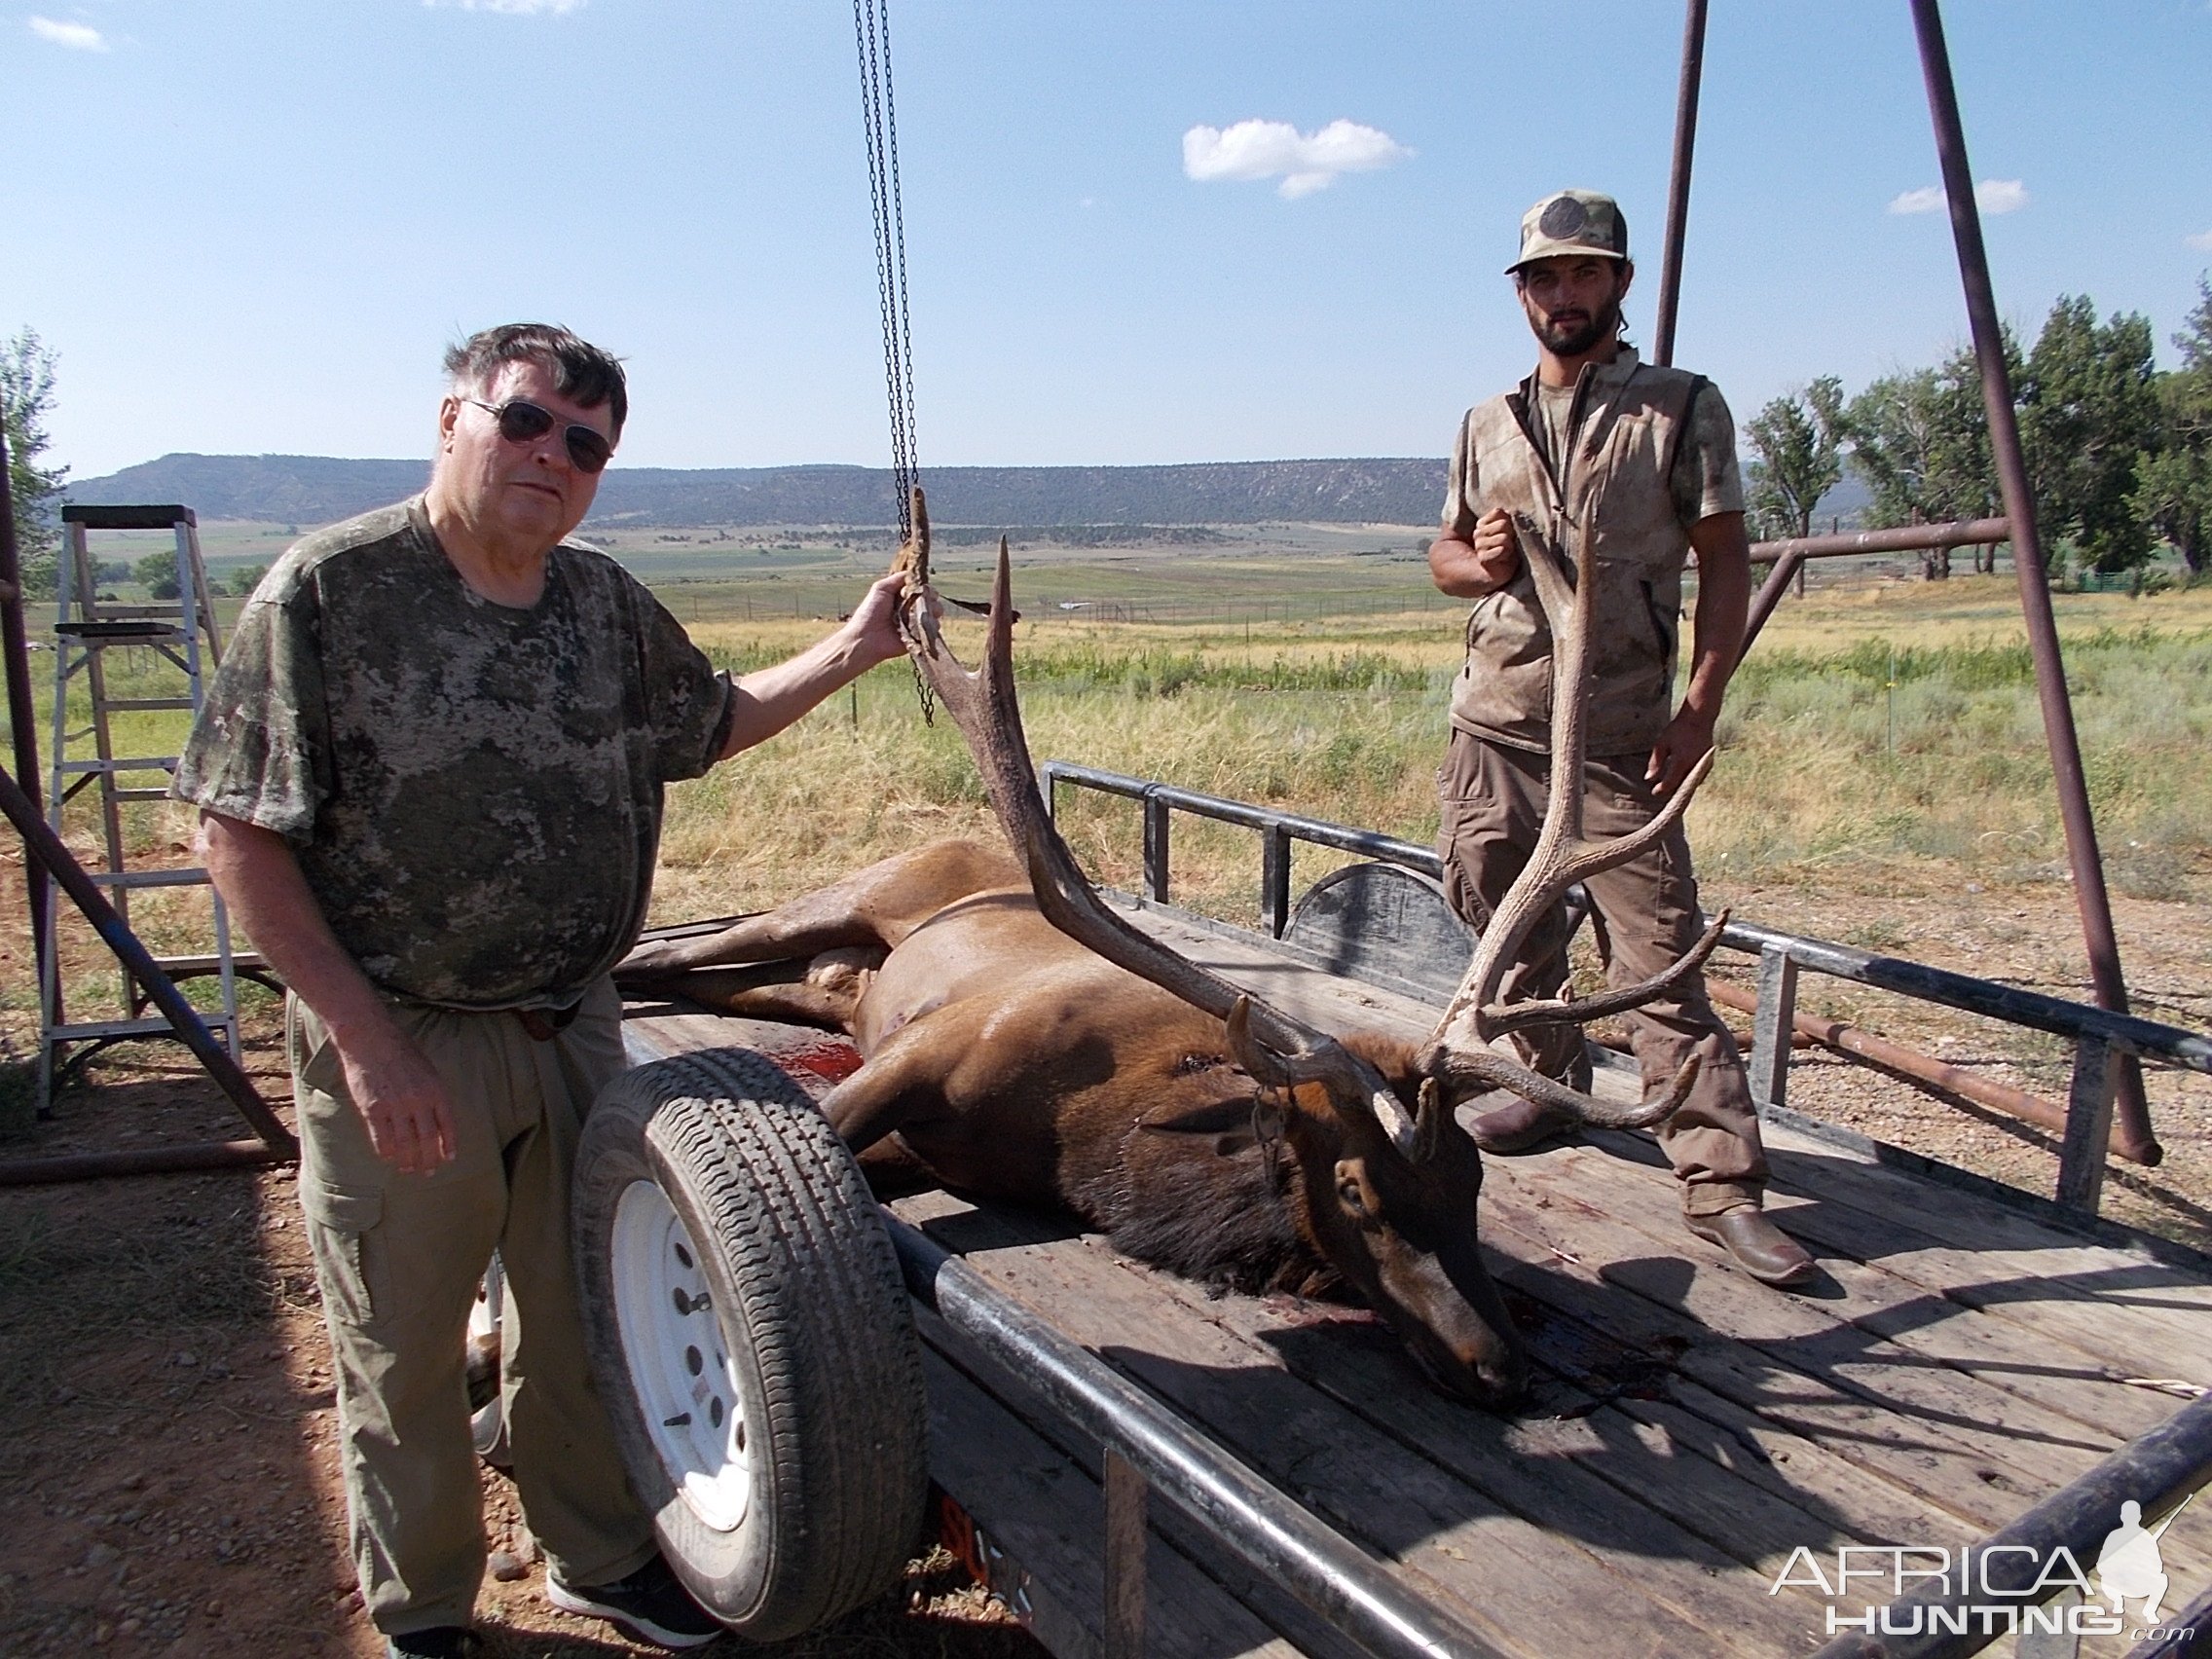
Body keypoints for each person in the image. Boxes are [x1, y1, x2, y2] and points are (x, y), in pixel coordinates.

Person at [174, 323, 913, 1657]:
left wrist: (857, 651)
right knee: (401, 1351)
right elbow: (236, 833)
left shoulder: (605, 607)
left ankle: (596, 1554)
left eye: (586, 444)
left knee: (581, 1319)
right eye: (526, 422)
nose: (553, 458)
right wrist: (365, 1045)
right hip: (407, 1040)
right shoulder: (331, 593)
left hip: (573, 1025)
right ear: (453, 418)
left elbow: (714, 722)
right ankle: (427, 1611)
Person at [1427, 191, 1814, 1288]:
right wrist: (1482, 559)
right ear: (1520, 294)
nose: (1564, 294)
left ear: (1620, 284)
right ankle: (1552, 1082)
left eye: (1584, 274)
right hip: (1496, 719)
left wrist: (1700, 704)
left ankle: (1720, 1183)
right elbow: (1445, 557)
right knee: (1493, 910)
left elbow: (1725, 559)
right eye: (1544, 278)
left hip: (1618, 731)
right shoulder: (1483, 422)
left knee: (1654, 958)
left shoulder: (1680, 408)